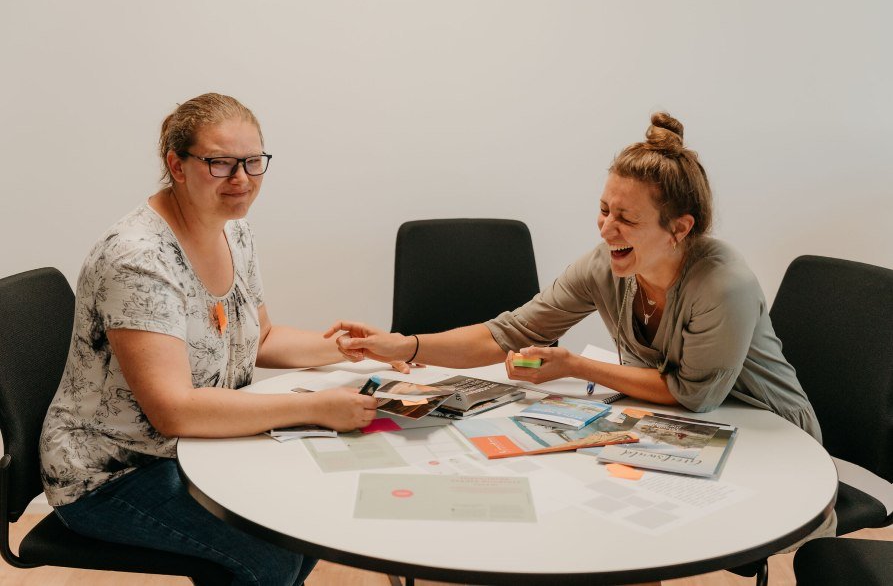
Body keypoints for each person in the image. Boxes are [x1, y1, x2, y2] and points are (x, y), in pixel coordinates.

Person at [39, 93, 382, 585]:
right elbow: (174, 411)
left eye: (253, 162)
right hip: (112, 474)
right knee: (272, 558)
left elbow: (259, 337)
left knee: (303, 527)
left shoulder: (233, 230)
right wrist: (316, 406)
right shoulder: (137, 258)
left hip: (195, 450)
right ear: (176, 165)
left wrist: (353, 351)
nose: (241, 179)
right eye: (220, 163)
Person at [326, 112, 823, 441]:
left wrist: (576, 367)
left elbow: (695, 396)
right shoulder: (605, 266)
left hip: (769, 436)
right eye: (603, 209)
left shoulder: (722, 284)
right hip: (686, 428)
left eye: (626, 219)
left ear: (679, 228)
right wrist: (405, 345)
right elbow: (509, 333)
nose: (607, 229)